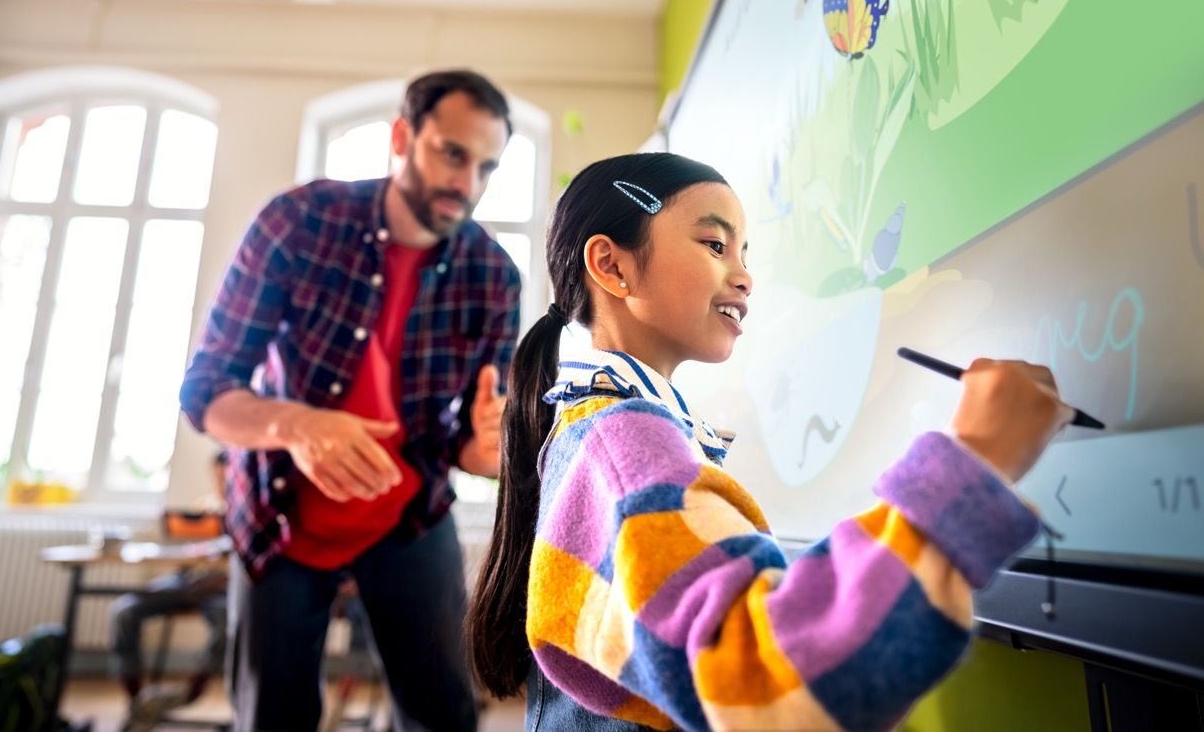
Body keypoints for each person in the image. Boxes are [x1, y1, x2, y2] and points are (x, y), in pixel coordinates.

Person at [467, 153, 1072, 731]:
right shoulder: (624, 445)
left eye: (745, 252)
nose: (745, 275)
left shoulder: (599, 429)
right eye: (714, 245)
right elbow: (774, 687)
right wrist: (974, 459)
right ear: (614, 267)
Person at [180, 69, 521, 731]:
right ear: (402, 136)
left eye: (487, 167)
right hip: (278, 517)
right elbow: (207, 390)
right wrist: (296, 423)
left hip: (411, 519)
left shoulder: (494, 275)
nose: (467, 182)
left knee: (446, 712)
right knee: (273, 715)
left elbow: (479, 446)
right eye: (453, 153)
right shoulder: (299, 222)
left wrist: (489, 452)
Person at [110, 450, 229, 726]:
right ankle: (138, 703)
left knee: (228, 621)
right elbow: (187, 552)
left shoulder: (250, 514)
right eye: (218, 478)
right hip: (187, 580)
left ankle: (191, 691)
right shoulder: (205, 510)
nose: (222, 485)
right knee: (124, 610)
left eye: (228, 478)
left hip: (221, 588)